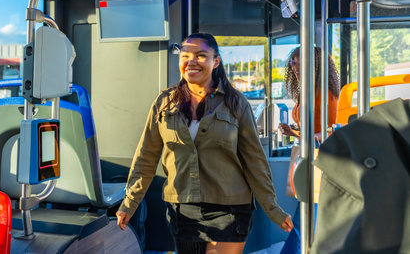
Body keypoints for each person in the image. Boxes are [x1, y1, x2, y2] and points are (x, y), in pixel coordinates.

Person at [116, 33, 293, 254]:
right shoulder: (164, 103)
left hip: (230, 208)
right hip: (182, 207)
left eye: (201, 56)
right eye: (185, 55)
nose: (191, 61)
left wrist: (273, 209)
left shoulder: (236, 103)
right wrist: (130, 203)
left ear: (216, 61)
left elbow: (255, 162)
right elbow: (146, 157)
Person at [278, 46, 340, 254]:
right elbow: (313, 130)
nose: (294, 66)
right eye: (293, 61)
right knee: (305, 215)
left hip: (319, 161)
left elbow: (330, 130)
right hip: (309, 157)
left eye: (299, 61)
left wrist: (307, 136)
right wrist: (293, 132)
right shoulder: (309, 90)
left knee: (304, 217)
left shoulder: (325, 92)